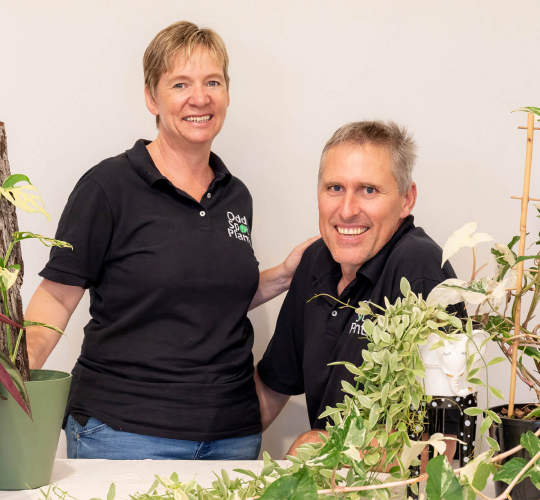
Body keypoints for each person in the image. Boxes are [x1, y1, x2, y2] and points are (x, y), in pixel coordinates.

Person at [24, 21, 316, 460]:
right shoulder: (108, 187)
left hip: (232, 436)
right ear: (151, 97)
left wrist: (281, 276)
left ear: (227, 93)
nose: (200, 98)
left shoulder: (236, 195)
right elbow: (56, 299)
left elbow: (207, 297)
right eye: (180, 83)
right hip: (124, 433)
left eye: (212, 82)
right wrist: (11, 386)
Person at [255, 120, 464, 460]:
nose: (348, 210)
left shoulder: (423, 271)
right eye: (335, 188)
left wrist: (329, 448)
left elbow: (443, 442)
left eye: (368, 190)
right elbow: (270, 390)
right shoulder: (315, 261)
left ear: (406, 199)